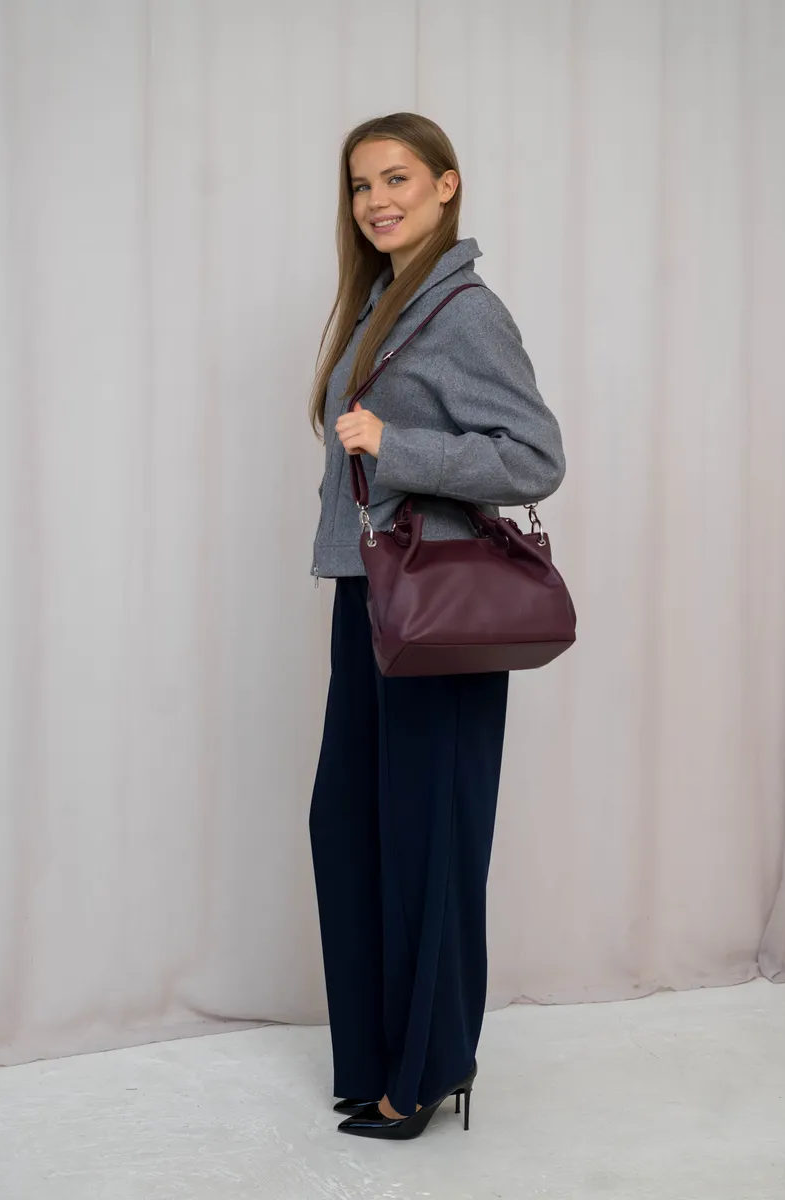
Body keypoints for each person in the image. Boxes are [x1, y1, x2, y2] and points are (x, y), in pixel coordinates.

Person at [307, 112, 566, 1141]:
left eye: (397, 178)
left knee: (429, 836)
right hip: (369, 590)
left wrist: (398, 444)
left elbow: (535, 456)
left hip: (438, 606)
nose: (376, 200)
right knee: (351, 824)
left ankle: (427, 1069)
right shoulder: (383, 303)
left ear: (446, 185)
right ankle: (378, 1057)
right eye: (361, 184)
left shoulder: (464, 310)